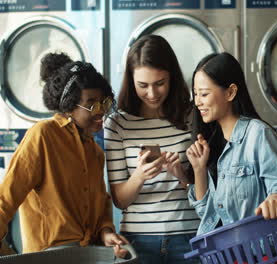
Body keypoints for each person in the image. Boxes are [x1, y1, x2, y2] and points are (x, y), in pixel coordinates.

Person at [0, 52, 128, 257]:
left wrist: (106, 232)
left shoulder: (95, 152)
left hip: (88, 254)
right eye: (91, 103)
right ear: (69, 106)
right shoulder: (43, 134)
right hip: (48, 255)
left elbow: (101, 206)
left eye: (104, 102)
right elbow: (6, 196)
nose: (100, 111)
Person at [104, 35, 200, 264]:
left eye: (160, 83)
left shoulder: (192, 116)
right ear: (131, 81)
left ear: (173, 78)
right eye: (143, 85)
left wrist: (181, 174)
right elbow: (120, 200)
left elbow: (209, 188)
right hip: (138, 240)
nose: (152, 93)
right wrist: (139, 176)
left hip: (189, 235)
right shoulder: (117, 124)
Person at [186, 52, 277, 235]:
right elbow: (206, 214)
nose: (198, 102)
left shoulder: (258, 134)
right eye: (195, 94)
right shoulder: (212, 142)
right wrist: (199, 169)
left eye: (204, 94)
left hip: (256, 252)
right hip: (221, 254)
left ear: (230, 92)